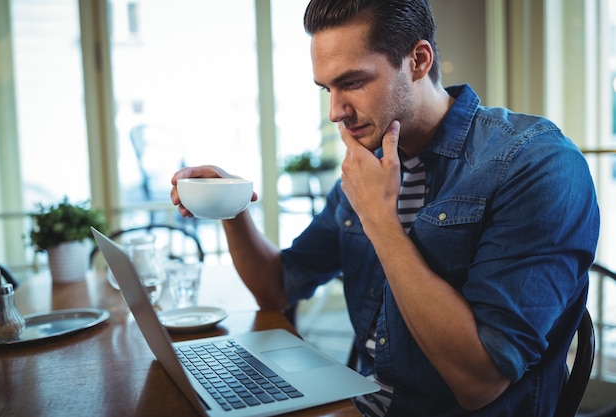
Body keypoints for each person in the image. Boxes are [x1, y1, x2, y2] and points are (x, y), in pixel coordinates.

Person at [170, 1, 600, 415]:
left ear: (418, 60)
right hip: (364, 402)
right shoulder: (368, 164)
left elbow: (480, 382)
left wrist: (380, 219)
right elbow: (278, 287)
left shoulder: (535, 163)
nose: (336, 111)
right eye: (327, 88)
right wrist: (233, 207)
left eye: (353, 82)